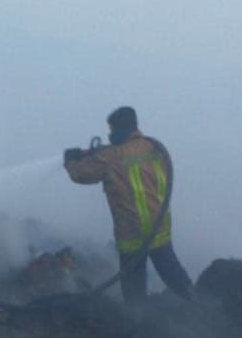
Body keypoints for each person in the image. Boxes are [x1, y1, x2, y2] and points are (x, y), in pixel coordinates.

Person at [64, 106, 194, 302]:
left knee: (133, 285)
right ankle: (198, 304)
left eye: (112, 130)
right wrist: (95, 153)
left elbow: (81, 174)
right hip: (159, 227)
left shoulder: (112, 157)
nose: (110, 134)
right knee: (171, 271)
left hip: (132, 230)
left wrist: (71, 161)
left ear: (118, 129)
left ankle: (138, 323)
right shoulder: (153, 148)